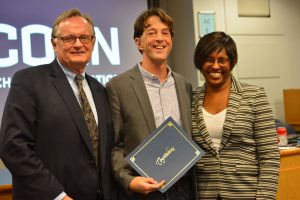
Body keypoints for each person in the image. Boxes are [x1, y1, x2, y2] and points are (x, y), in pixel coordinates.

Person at [0, 8, 115, 200]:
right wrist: (58, 196)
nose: (78, 44)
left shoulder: (99, 90)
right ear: (54, 43)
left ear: (93, 43)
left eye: (85, 38)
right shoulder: (29, 81)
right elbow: (13, 146)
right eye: (69, 38)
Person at [106, 7, 197, 200]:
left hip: (185, 189)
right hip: (145, 191)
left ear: (171, 40)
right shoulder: (118, 86)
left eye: (165, 33)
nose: (160, 38)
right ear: (139, 43)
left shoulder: (184, 85)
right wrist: (128, 180)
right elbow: (114, 145)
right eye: (151, 33)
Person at [192, 31, 280, 200]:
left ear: (231, 63)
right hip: (203, 193)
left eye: (222, 60)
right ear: (200, 62)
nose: (216, 66)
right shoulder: (191, 98)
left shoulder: (254, 95)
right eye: (209, 59)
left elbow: (270, 157)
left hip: (245, 193)